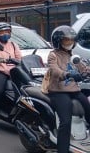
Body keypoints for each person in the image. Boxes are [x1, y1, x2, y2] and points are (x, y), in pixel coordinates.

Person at [47, 25, 90, 153]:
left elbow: (82, 67)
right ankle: (62, 150)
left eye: (71, 40)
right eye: (66, 40)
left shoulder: (73, 55)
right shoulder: (53, 55)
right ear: (58, 41)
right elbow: (54, 69)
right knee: (65, 122)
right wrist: (66, 74)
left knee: (88, 111)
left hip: (75, 90)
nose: (69, 43)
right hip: (58, 91)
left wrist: (87, 71)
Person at [0, 22, 22, 133]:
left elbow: (20, 58)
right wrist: (0, 59)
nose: (5, 34)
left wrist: (19, 61)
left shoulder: (13, 45)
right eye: (2, 32)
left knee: (23, 91)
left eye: (7, 32)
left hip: (13, 71)